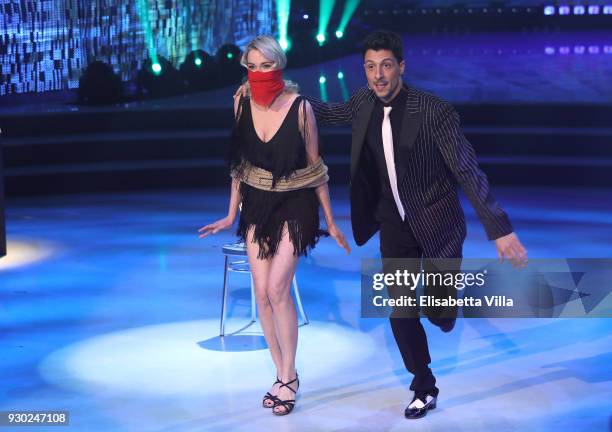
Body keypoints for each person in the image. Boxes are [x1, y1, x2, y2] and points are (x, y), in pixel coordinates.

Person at [238, 30, 528, 419]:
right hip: (394, 225)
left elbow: (466, 168)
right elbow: (319, 112)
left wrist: (501, 228)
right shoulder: (362, 103)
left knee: (440, 313)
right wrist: (268, 92)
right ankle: (423, 386)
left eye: (386, 66)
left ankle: (444, 307)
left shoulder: (433, 111)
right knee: (400, 310)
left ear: (401, 67)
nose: (378, 75)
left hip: (438, 222)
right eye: (370, 67)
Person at [199, 35, 350, 416]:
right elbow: (239, 163)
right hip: (256, 203)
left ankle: (288, 376)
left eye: (267, 66)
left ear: (279, 66)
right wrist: (231, 214)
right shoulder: (239, 101)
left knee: (279, 288)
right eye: (253, 66)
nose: (260, 73)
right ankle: (283, 373)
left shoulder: (300, 109)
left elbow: (317, 170)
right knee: (262, 292)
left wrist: (331, 222)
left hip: (295, 201)